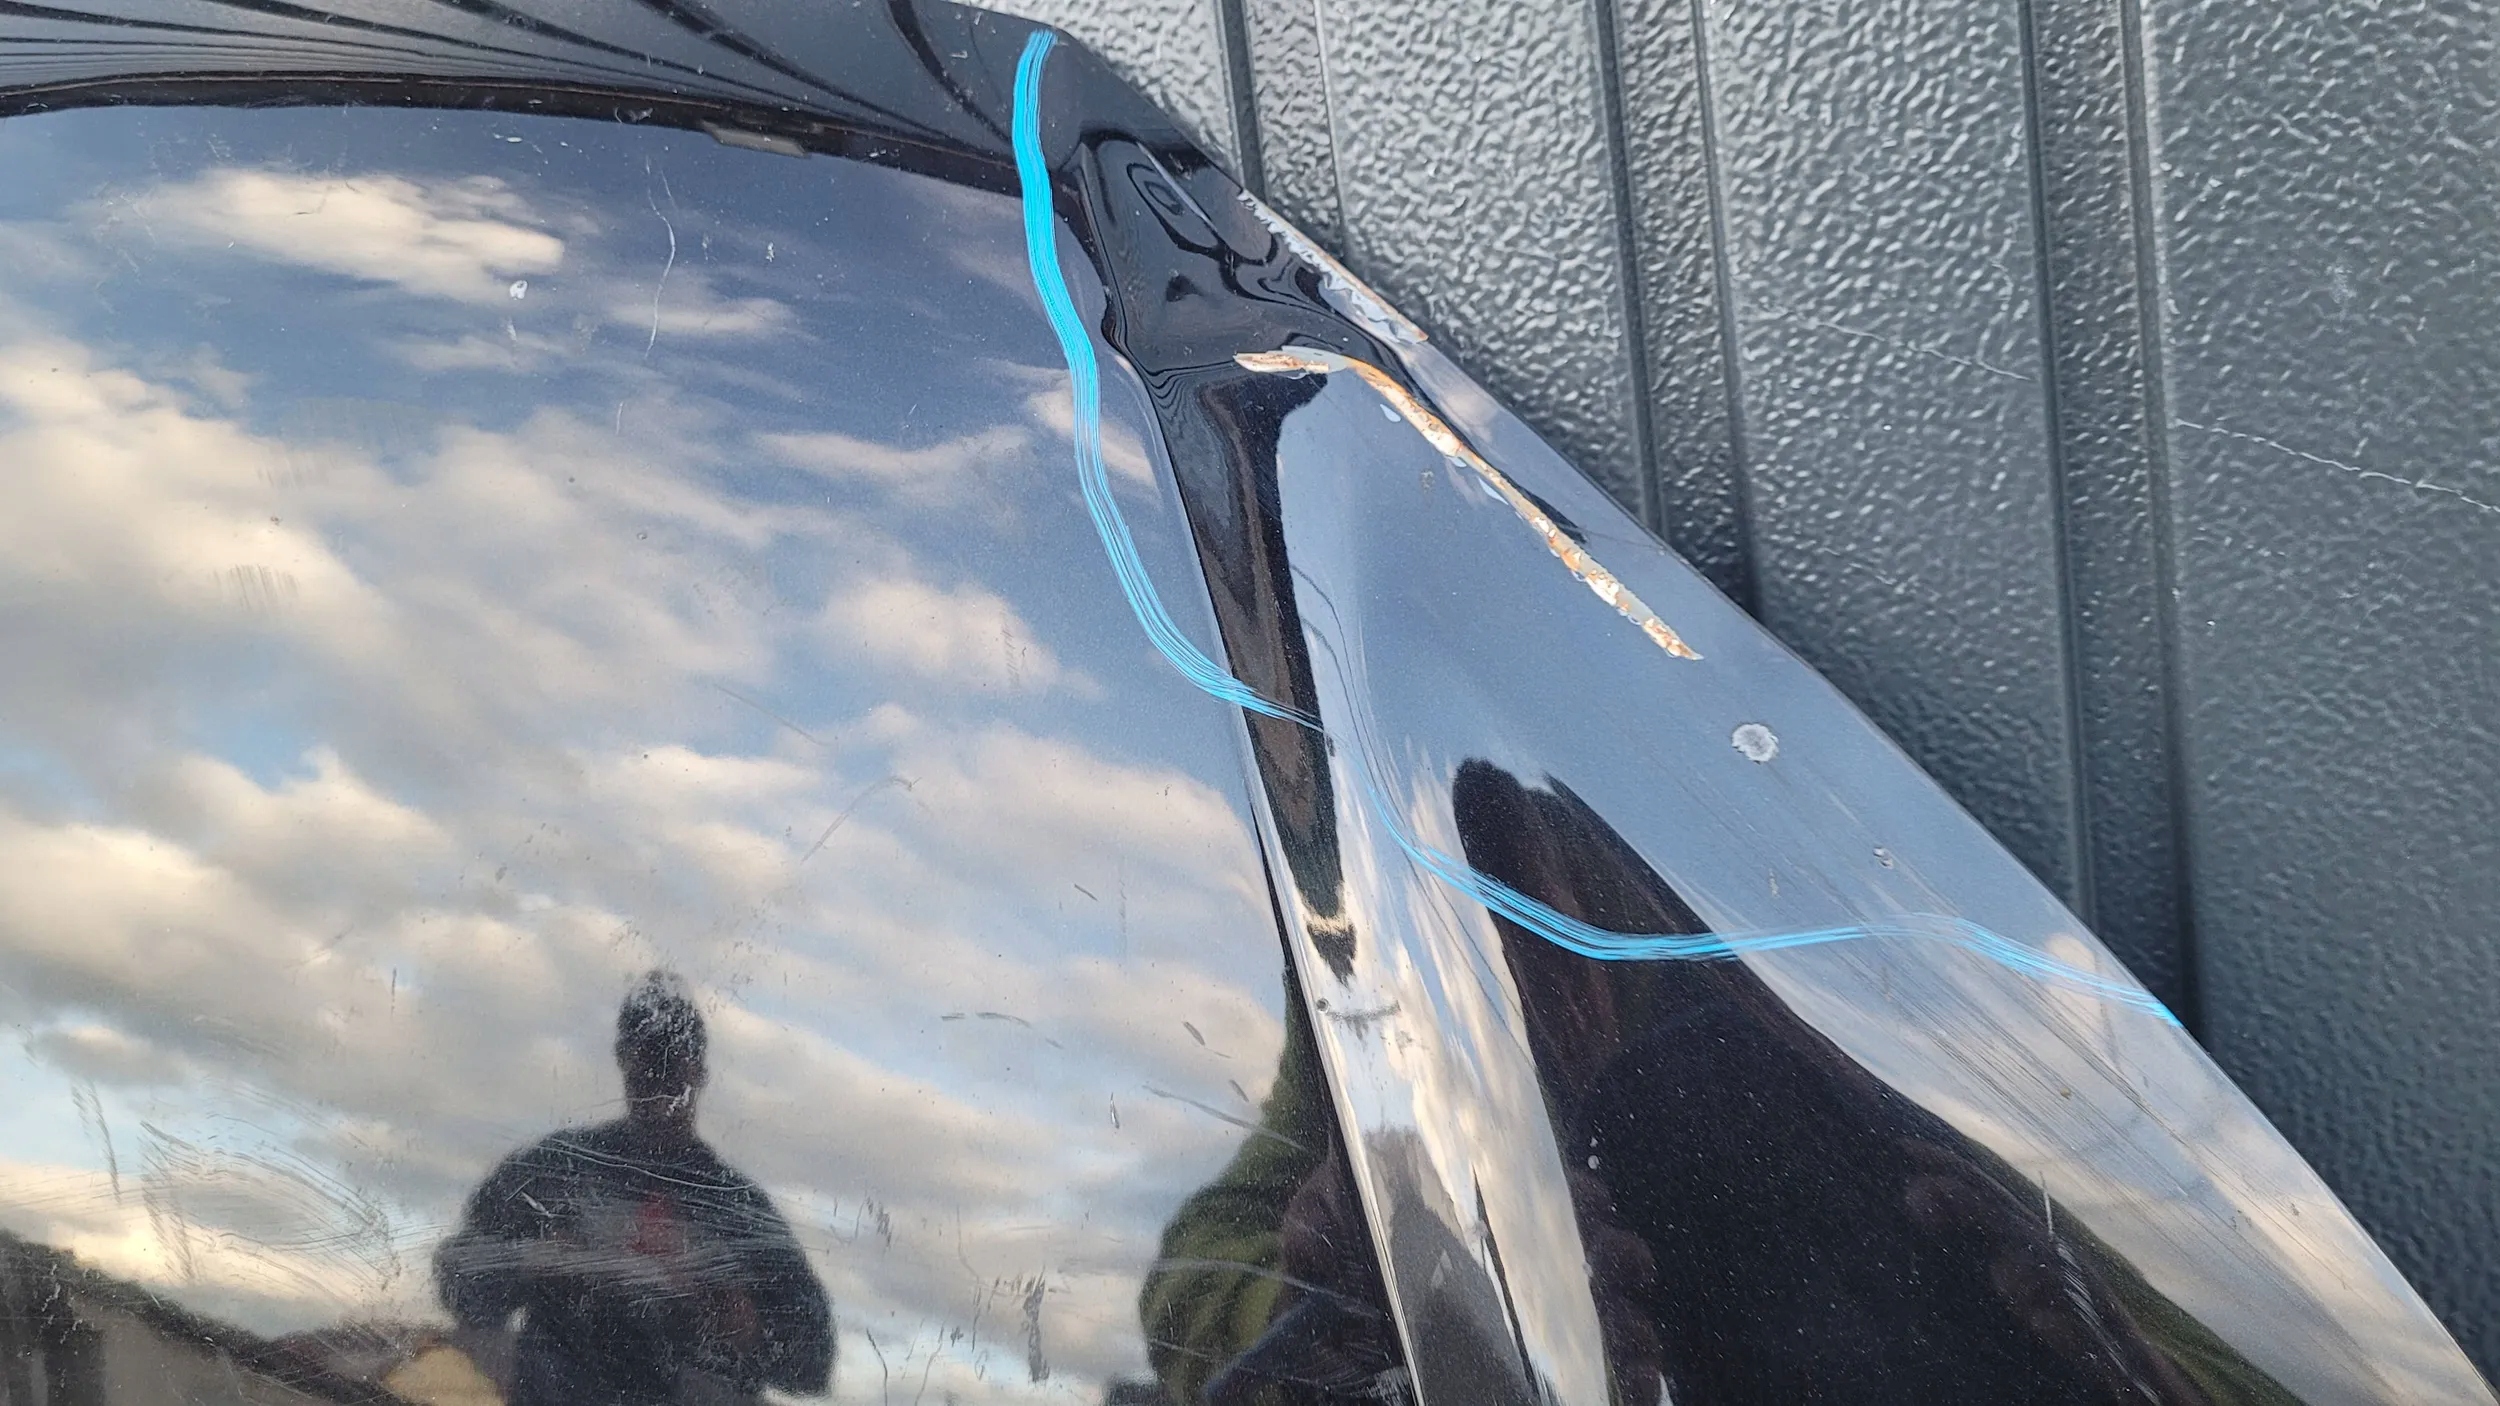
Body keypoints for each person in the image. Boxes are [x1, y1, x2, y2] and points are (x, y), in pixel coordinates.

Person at [435, 973, 833, 1406]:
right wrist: (533, 1260)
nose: (659, 1072)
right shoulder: (554, 1170)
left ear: (699, 1070)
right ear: (624, 1060)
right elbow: (458, 1283)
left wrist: (745, 1323)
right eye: (648, 1054)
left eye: (673, 1058)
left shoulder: (740, 1208)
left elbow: (815, 1361)